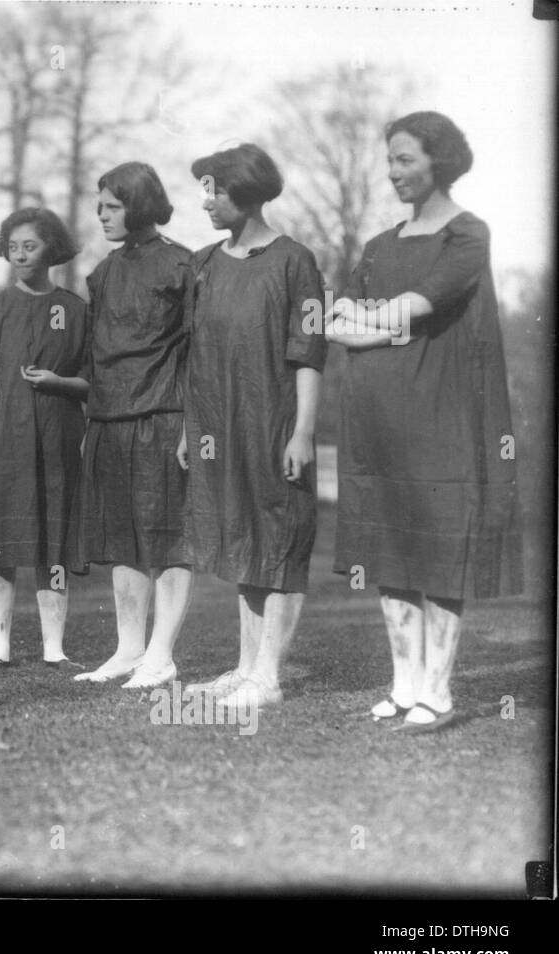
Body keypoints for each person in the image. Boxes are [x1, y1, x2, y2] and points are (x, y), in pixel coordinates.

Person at [326, 112, 521, 733]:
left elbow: (415, 306)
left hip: (441, 416)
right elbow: (335, 321)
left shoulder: (467, 235)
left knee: (439, 553)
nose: (393, 173)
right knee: (390, 552)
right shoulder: (380, 246)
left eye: (405, 159)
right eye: (390, 161)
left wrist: (370, 328)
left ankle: (437, 693)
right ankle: (403, 684)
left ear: (439, 161)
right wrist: (373, 326)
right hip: (376, 417)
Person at [178, 143, 326, 710]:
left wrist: (303, 432)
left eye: (215, 190)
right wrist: (190, 430)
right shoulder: (204, 264)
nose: (207, 201)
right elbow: (193, 356)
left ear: (246, 191)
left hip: (275, 421)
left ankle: (269, 677)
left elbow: (309, 353)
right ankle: (245, 669)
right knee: (243, 539)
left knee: (280, 540)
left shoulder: (295, 261)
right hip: (219, 421)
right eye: (205, 189)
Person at [69, 163, 194, 690]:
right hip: (109, 421)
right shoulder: (101, 273)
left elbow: (198, 353)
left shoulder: (184, 266)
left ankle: (161, 656)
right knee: (121, 542)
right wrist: (92, 418)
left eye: (112, 207)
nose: (101, 217)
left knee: (165, 541)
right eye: (98, 207)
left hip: (162, 419)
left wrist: (192, 422)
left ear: (140, 205)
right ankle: (129, 650)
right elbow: (96, 359)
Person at [0, 207, 88, 669]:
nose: (19, 256)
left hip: (57, 440)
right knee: (0, 540)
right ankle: (0, 648)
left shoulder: (74, 310)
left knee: (52, 539)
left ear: (51, 248)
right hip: (0, 440)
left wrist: (58, 381)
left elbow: (93, 383)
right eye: (12, 248)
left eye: (29, 246)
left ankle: (55, 649)